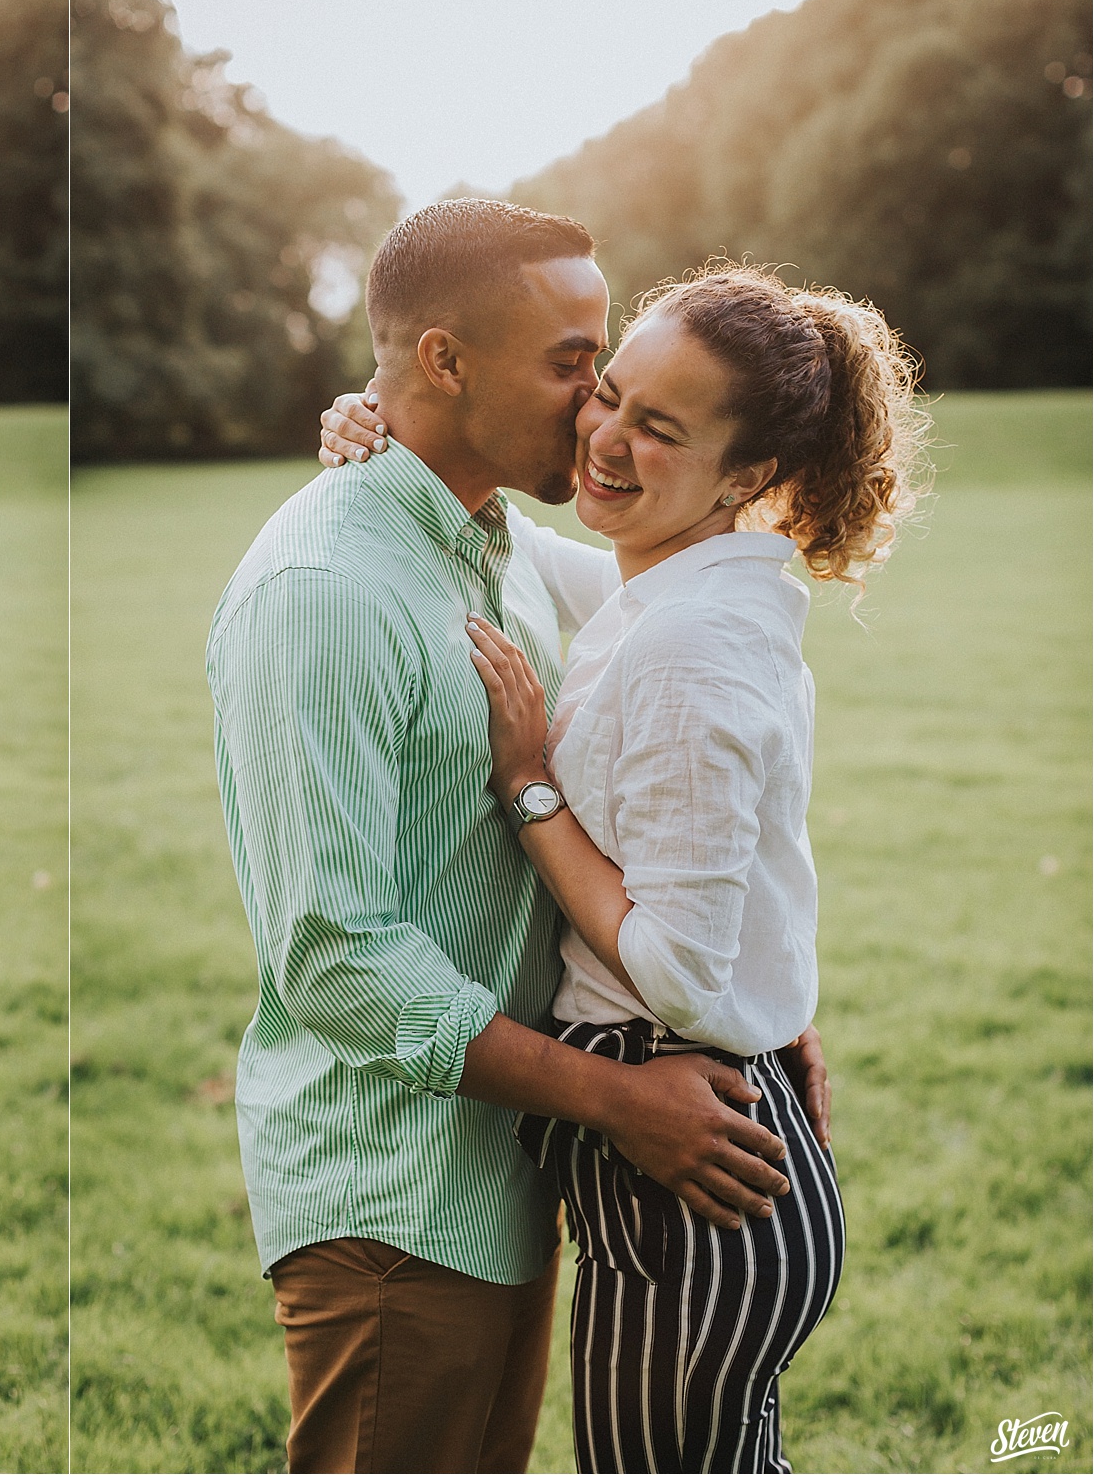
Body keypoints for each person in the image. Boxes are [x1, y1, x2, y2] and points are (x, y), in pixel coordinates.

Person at [206, 199, 806, 1475]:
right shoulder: (322, 593)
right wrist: (618, 1101)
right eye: (568, 364)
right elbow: (332, 958)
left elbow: (695, 610)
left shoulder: (496, 546)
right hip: (394, 1201)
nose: (591, 405)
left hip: (507, 1175)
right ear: (442, 360)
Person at [321, 261, 921, 1472]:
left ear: (747, 475)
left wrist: (529, 787)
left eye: (659, 427)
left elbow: (684, 975)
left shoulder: (690, 654)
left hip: (692, 1188)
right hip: (720, 1182)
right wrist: (392, 452)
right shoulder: (673, 588)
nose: (601, 435)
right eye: (607, 394)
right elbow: (532, 559)